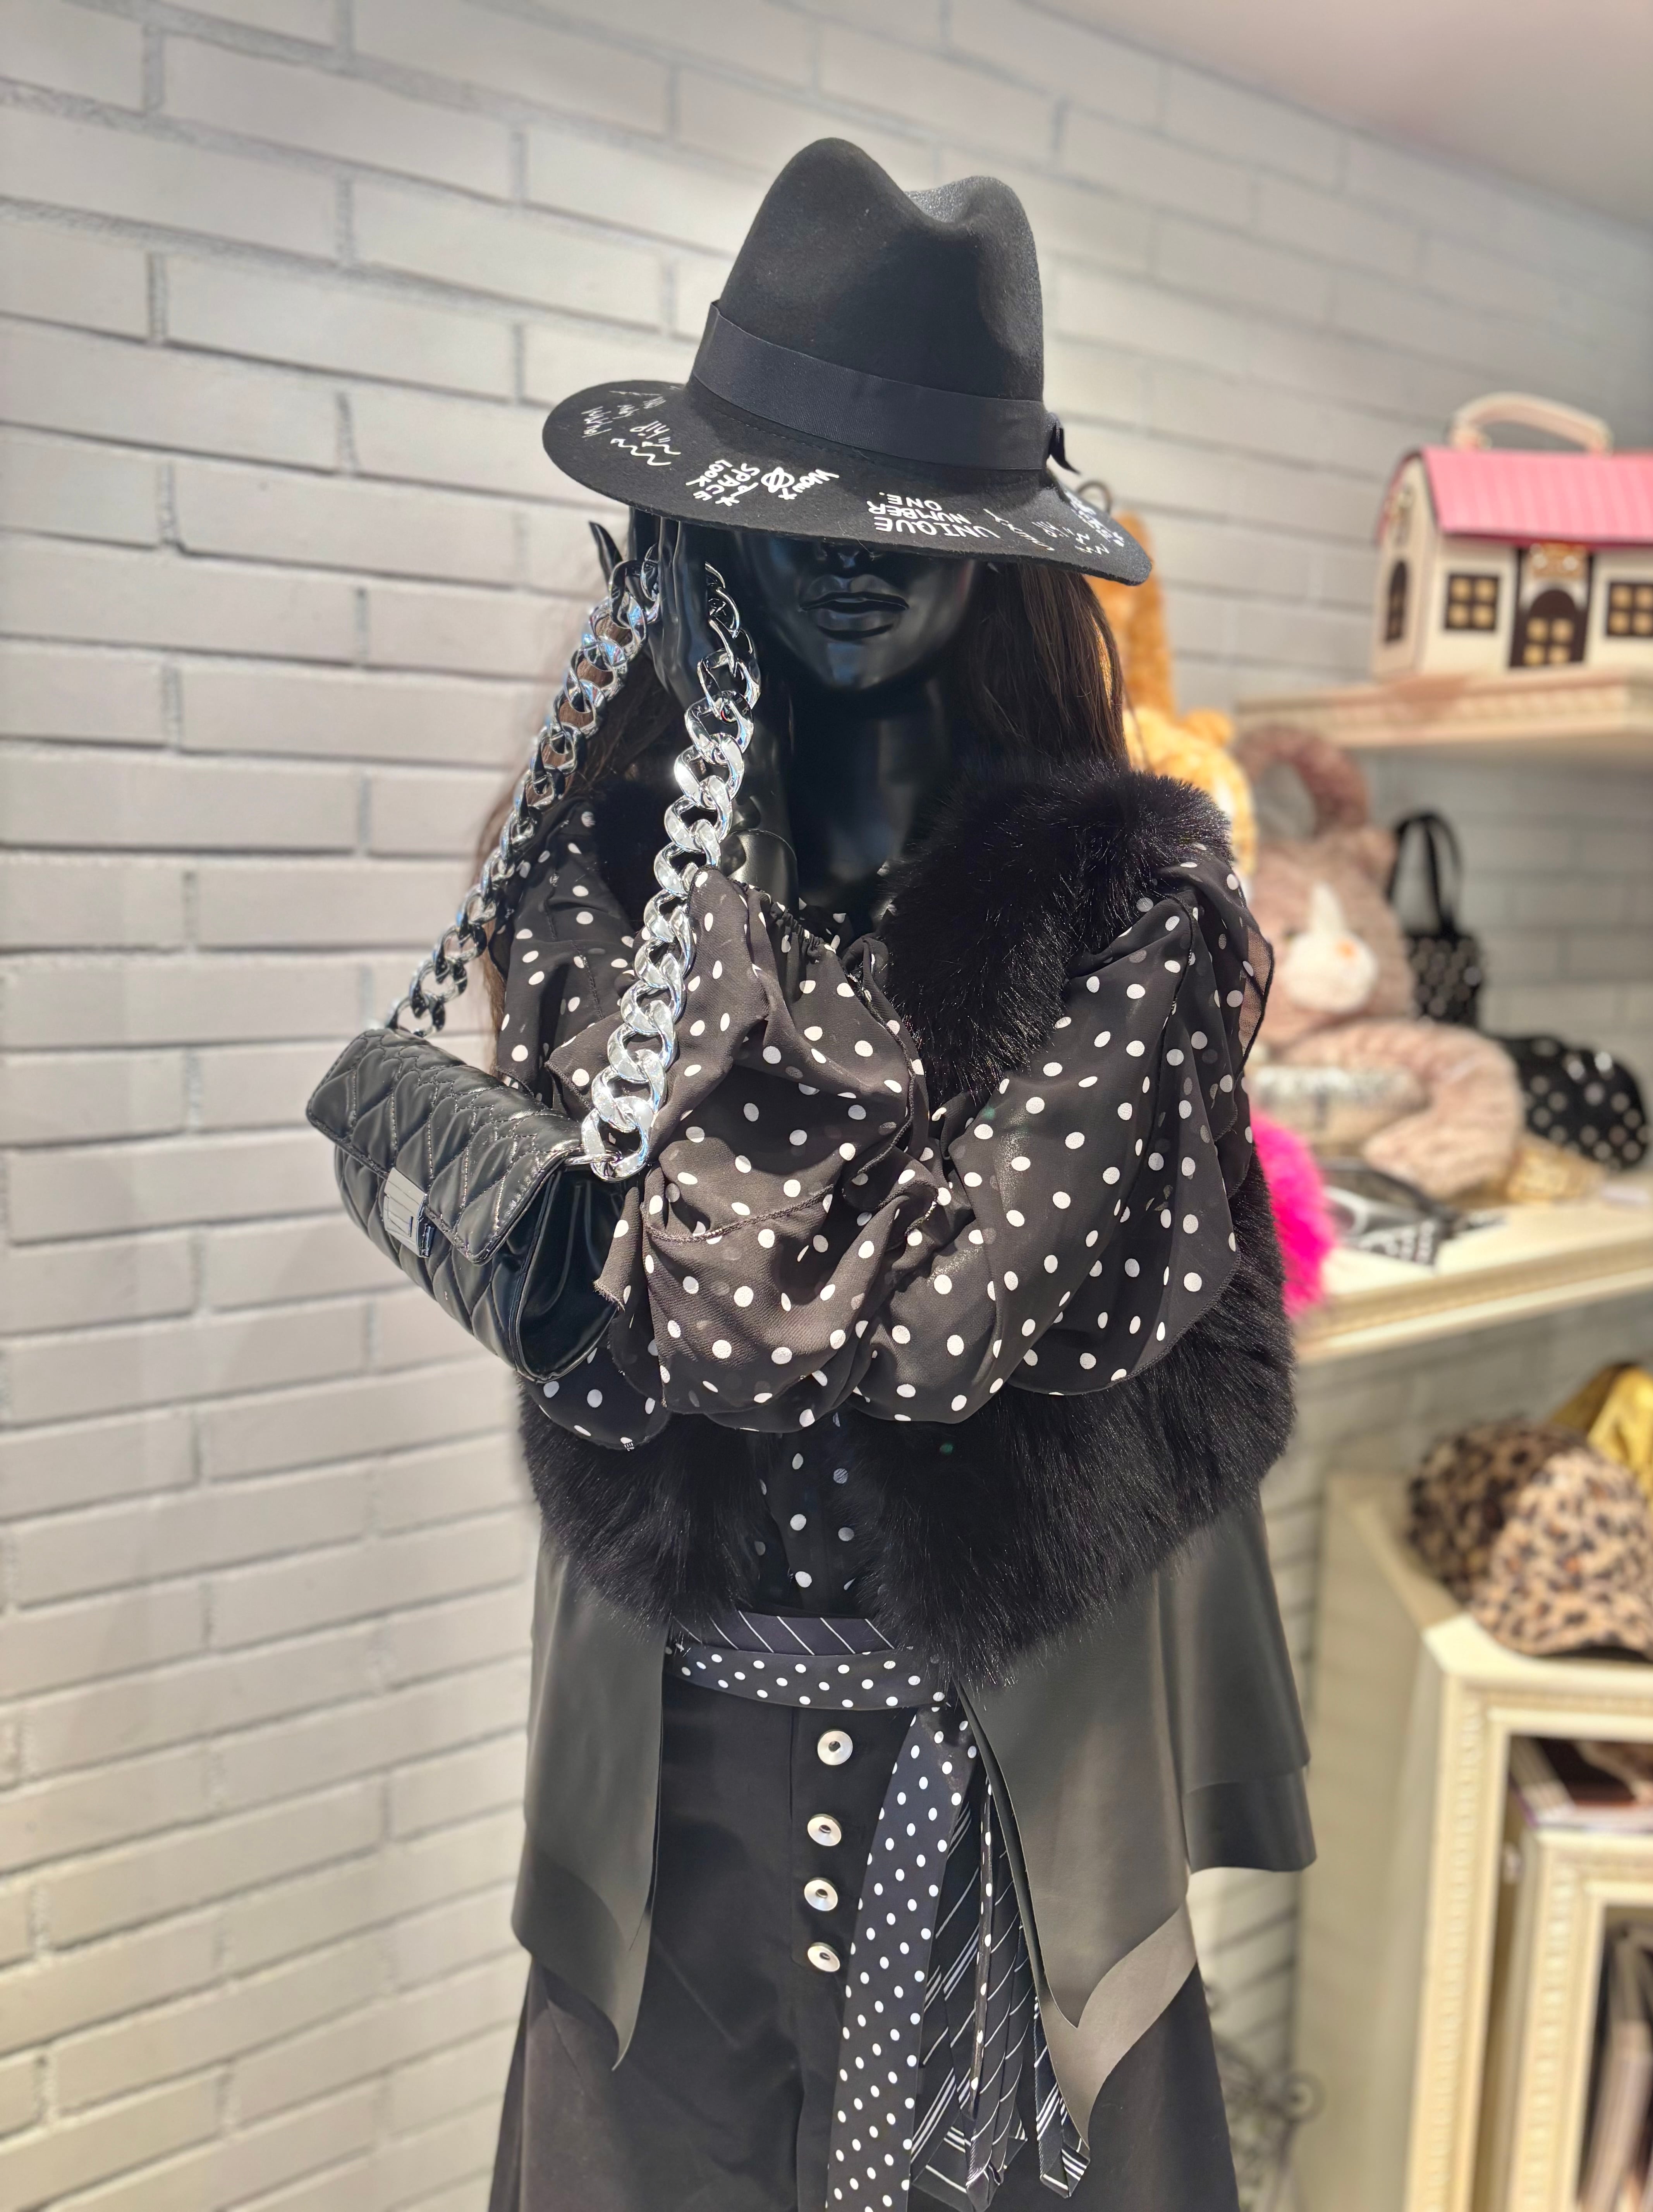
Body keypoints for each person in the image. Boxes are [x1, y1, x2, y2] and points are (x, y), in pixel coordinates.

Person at [483, 141, 1311, 2212]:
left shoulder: (1132, 913)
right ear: (706, 536)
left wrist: (683, 1224)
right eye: (796, 515)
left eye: (905, 518)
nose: (848, 565)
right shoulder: (605, 882)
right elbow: (608, 1308)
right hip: (665, 1816)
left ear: (1000, 555)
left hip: (1020, 1813)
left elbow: (932, 1334)